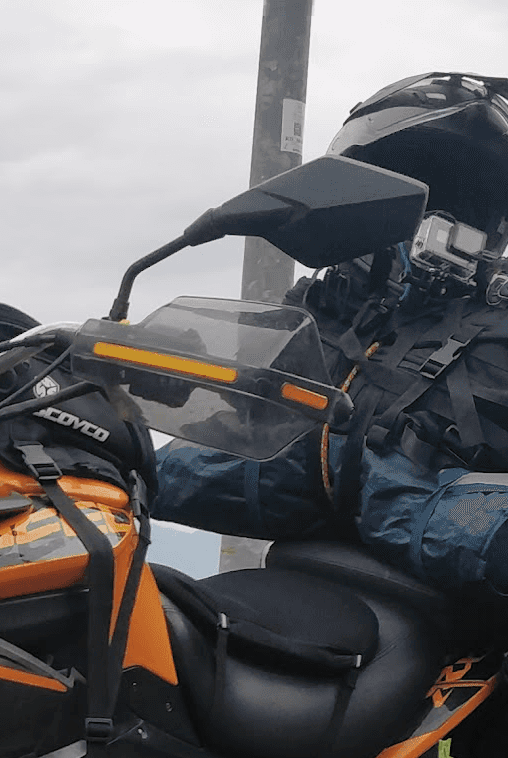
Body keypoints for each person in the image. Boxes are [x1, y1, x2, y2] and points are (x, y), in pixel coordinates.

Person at [154, 73, 508, 606]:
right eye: (414, 196)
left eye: (467, 208)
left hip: (451, 633)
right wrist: (106, 432)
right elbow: (204, 460)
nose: (438, 225)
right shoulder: (306, 320)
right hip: (292, 595)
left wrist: (344, 472)